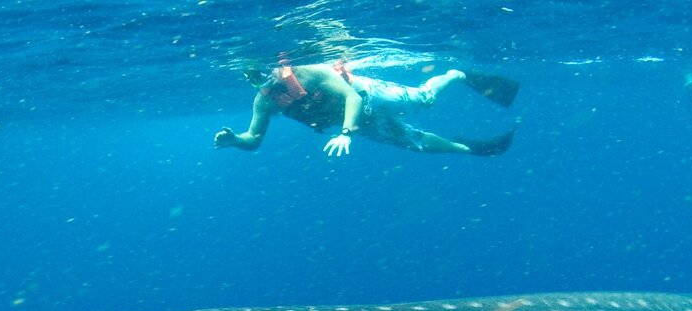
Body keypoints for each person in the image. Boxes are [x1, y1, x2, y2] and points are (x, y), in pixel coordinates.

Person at [214, 63, 518, 157]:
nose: (260, 81)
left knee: (424, 98)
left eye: (261, 73)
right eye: (251, 78)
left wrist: (347, 132)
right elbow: (254, 138)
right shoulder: (264, 101)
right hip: (357, 121)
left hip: (367, 96)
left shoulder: (311, 72)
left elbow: (352, 98)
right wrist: (235, 140)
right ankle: (470, 149)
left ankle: (456, 74)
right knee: (415, 143)